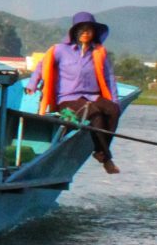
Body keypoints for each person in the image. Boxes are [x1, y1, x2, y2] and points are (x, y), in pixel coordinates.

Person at [39, 11, 122, 175]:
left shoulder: (98, 52)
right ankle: (106, 158)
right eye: (82, 30)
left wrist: (115, 100)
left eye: (89, 30)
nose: (85, 33)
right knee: (95, 114)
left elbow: (109, 77)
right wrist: (33, 84)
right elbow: (43, 66)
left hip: (91, 95)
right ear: (75, 32)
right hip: (68, 98)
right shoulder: (62, 50)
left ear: (94, 33)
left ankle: (100, 151)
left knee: (113, 110)